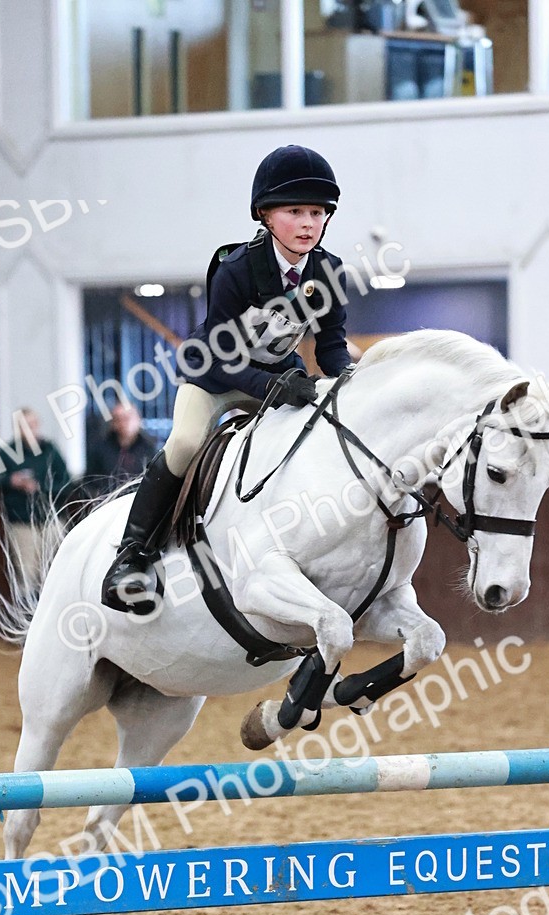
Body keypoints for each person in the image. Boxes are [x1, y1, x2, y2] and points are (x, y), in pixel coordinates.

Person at [102, 144, 352, 612]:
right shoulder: (237, 268)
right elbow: (221, 355)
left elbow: (332, 346)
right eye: (295, 211)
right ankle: (132, 557)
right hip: (215, 375)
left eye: (317, 213)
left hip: (278, 377)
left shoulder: (329, 271)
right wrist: (272, 388)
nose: (308, 223)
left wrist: (351, 382)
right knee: (184, 443)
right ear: (265, 216)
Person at [0, 408, 72, 591]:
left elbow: (66, 483)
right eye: (23, 425)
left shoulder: (50, 451)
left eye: (32, 425)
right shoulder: (8, 453)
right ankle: (29, 616)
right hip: (22, 521)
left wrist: (40, 488)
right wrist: (10, 481)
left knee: (55, 570)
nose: (29, 429)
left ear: (37, 425)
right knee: (26, 573)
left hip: (51, 519)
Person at [84, 401, 157, 497]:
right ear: (113, 423)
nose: (124, 423)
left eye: (128, 418)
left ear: (138, 420)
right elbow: (90, 481)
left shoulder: (149, 448)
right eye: (119, 419)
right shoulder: (100, 449)